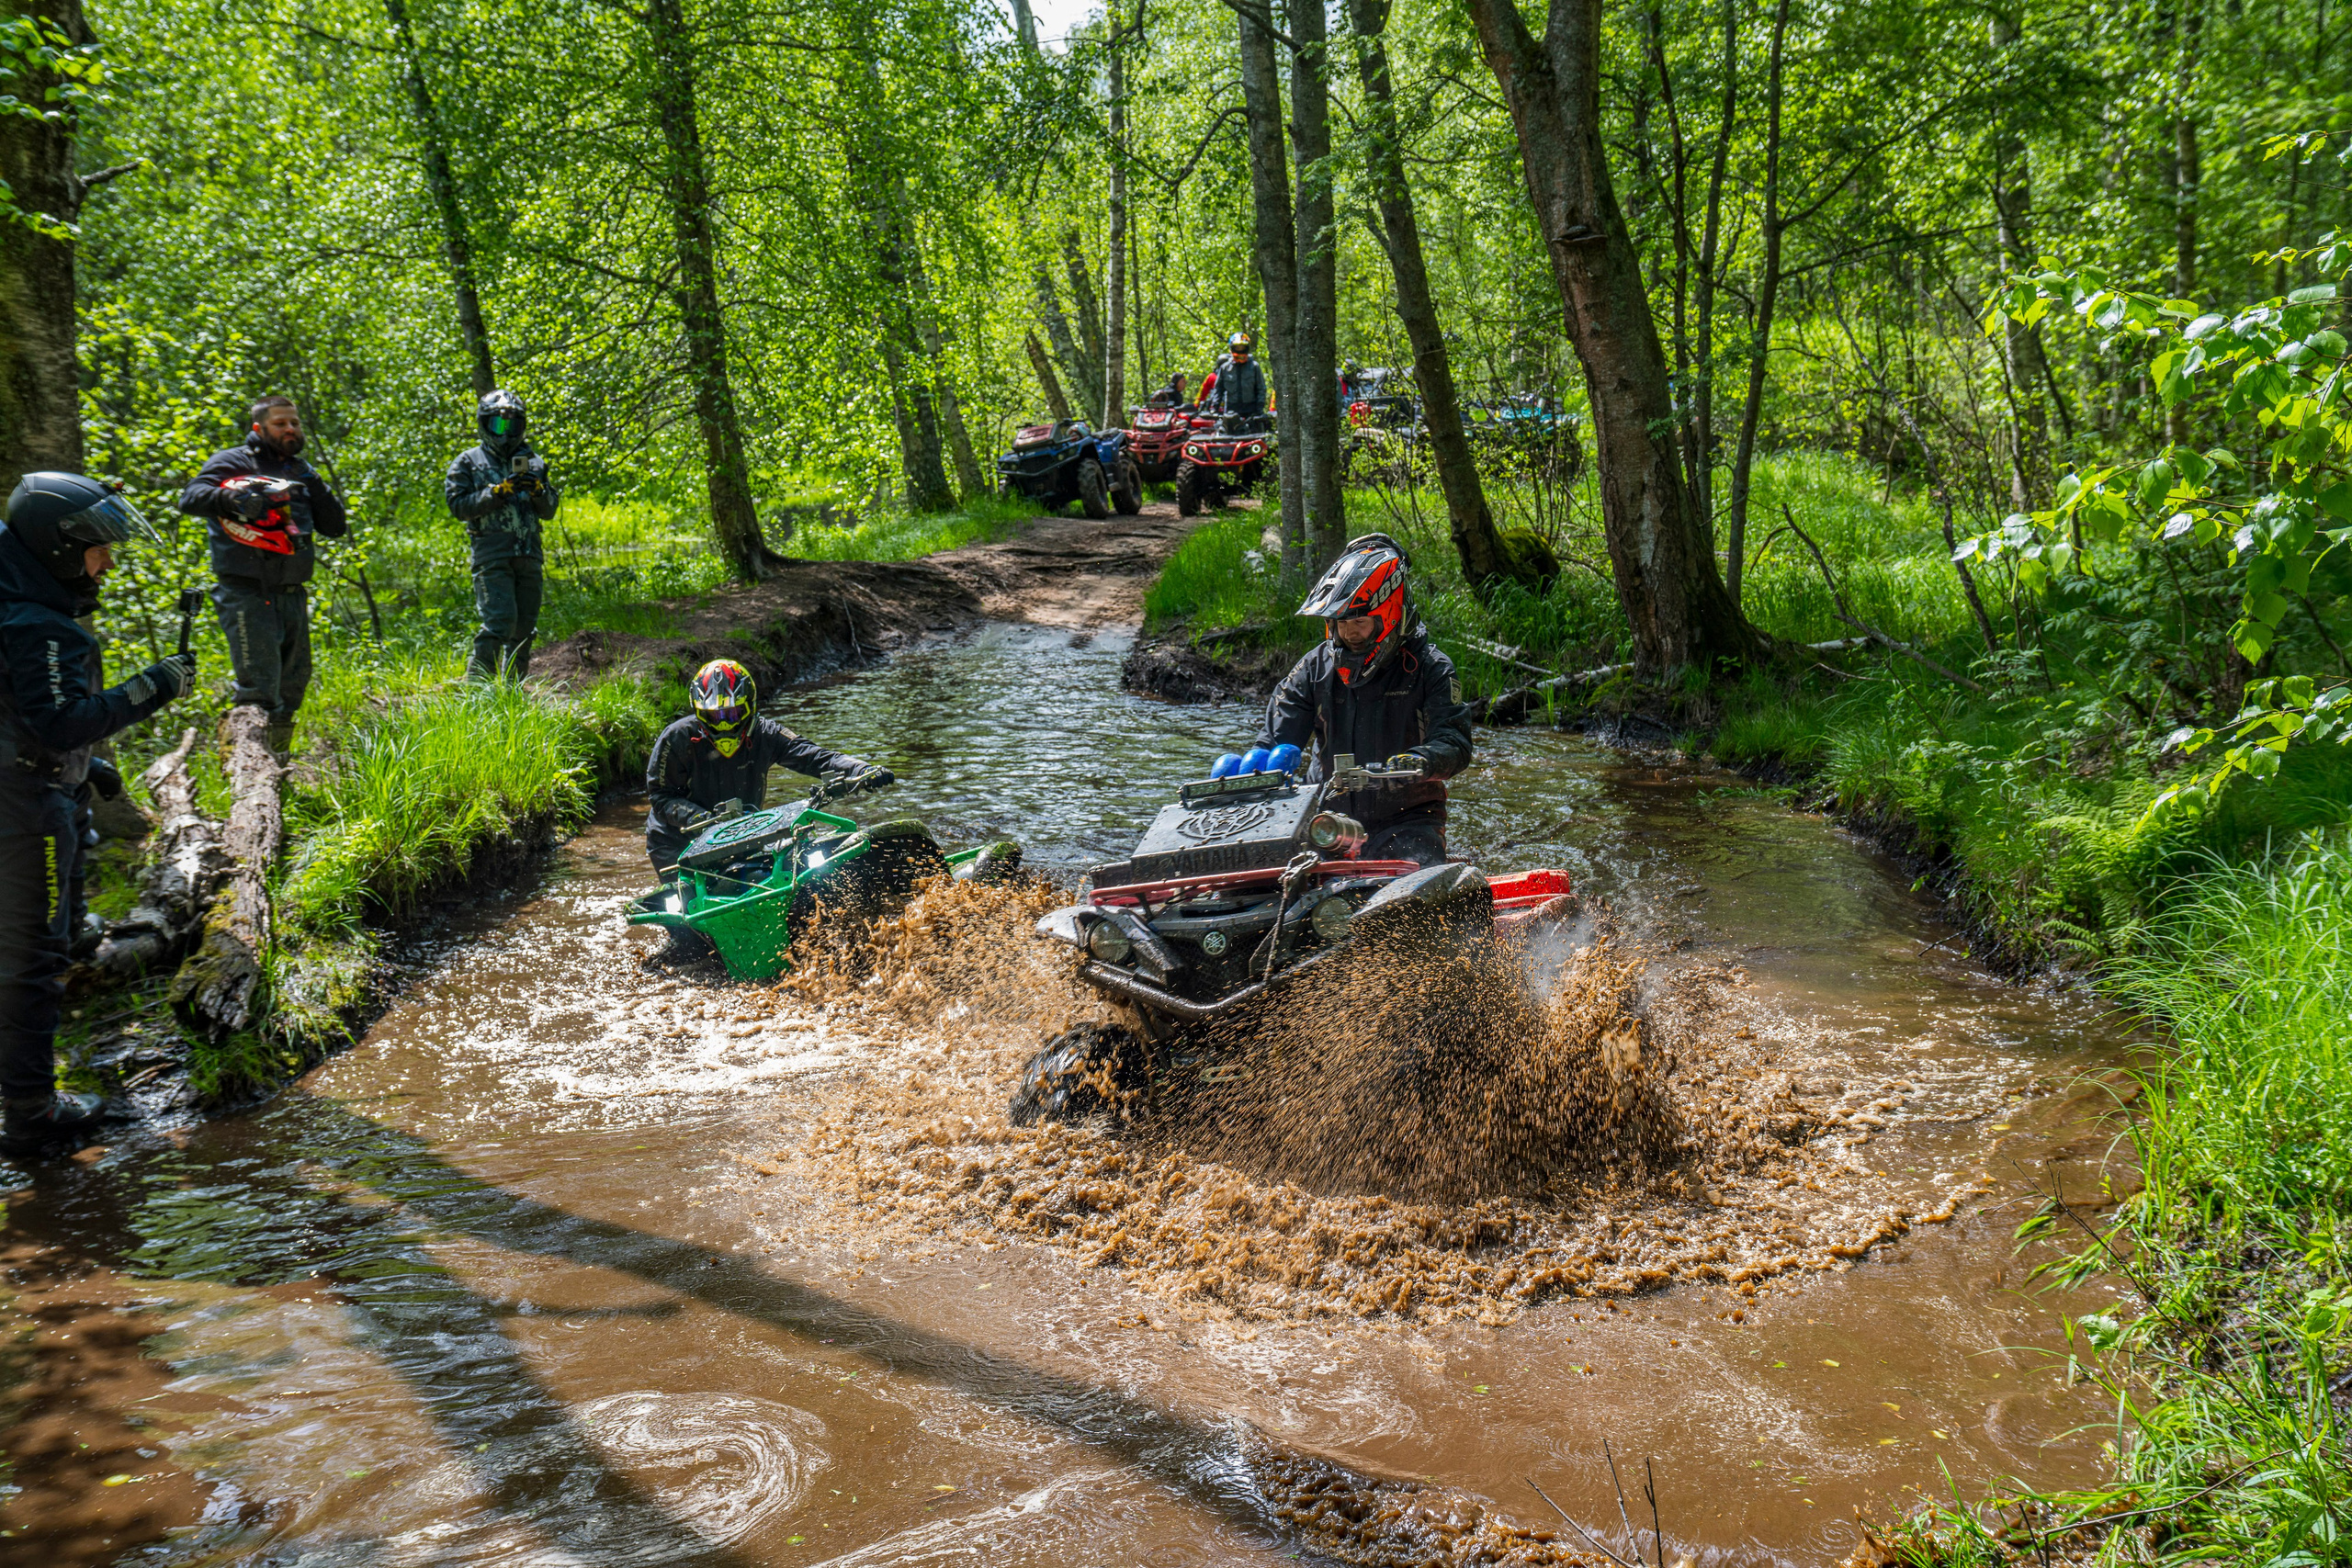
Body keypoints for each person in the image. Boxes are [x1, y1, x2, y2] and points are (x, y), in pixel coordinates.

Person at [2, 472, 195, 1157]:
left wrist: (86, 766)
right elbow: (59, 721)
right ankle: (31, 1110)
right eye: (96, 548)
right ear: (59, 548)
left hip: (32, 785)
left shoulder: (18, 593)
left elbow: (26, 716)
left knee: (68, 854)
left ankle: (76, 932)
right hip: (23, 807)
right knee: (31, 961)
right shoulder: (39, 625)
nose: (106, 562)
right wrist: (152, 688)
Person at [1252, 533, 1472, 867]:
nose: (1350, 633)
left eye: (1360, 622)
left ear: (1389, 616)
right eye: (1342, 623)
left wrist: (1421, 760)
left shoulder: (1430, 667)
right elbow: (1276, 738)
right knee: (1269, 882)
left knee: (1416, 890)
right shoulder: (1314, 668)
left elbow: (1454, 741)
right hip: (1323, 822)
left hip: (1408, 821)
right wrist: (1261, 771)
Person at [176, 396, 348, 757]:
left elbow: (335, 526)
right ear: (259, 428)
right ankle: (247, 769)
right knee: (258, 687)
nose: (290, 430)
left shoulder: (302, 471)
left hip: (292, 591)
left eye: (295, 423)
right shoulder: (233, 461)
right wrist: (235, 500)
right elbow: (190, 498)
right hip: (246, 591)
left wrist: (311, 488)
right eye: (281, 424)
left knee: (292, 685)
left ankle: (277, 764)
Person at [644, 659, 893, 875]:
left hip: (742, 831)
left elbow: (815, 756)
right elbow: (661, 796)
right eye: (714, 717)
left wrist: (861, 770)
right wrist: (706, 820)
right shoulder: (676, 739)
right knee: (686, 917)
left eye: (732, 715)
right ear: (699, 713)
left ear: (749, 706)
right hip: (676, 841)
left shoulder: (766, 733)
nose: (724, 725)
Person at [446, 389, 560, 681]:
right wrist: (496, 493)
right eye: (498, 425)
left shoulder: (534, 462)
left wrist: (537, 491)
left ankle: (512, 691)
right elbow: (458, 506)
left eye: (511, 425)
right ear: (485, 424)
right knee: (499, 623)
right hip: (492, 555)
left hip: (529, 554)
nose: (506, 432)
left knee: (524, 628)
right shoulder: (468, 462)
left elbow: (549, 510)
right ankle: (478, 691)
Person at [1211, 332, 1268, 426]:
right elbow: (1218, 389)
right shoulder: (1225, 368)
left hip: (1251, 411)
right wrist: (1214, 408)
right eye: (1237, 347)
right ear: (1232, 348)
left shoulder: (1254, 367)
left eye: (1242, 347)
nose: (1240, 350)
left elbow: (1261, 388)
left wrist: (1259, 409)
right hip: (1231, 410)